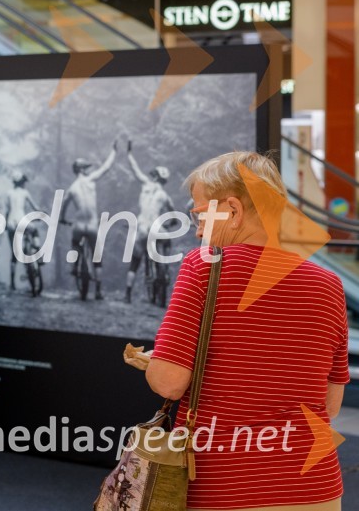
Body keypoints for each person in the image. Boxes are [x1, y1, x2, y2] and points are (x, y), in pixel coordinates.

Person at [145, 151, 348, 511]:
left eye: (200, 215)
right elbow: (330, 404)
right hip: (316, 488)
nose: (197, 230)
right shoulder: (330, 284)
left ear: (234, 211)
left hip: (223, 486)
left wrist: (155, 361)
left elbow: (169, 382)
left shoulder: (203, 266)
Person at [59, 138, 117, 300]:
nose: (88, 170)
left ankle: (74, 266)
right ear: (81, 170)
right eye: (85, 168)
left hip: (78, 226)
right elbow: (106, 168)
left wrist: (62, 219)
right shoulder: (91, 180)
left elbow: (63, 205)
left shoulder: (72, 188)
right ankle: (98, 291)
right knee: (97, 258)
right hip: (92, 226)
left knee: (75, 244)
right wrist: (114, 151)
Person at [124, 139, 175, 304]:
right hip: (158, 228)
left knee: (135, 262)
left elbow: (135, 169)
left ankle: (127, 294)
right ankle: (165, 269)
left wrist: (129, 154)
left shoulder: (145, 185)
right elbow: (173, 215)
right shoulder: (165, 196)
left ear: (154, 177)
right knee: (167, 241)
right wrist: (172, 223)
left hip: (142, 228)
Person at [4, 171, 41, 291]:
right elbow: (35, 207)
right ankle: (37, 251)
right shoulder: (25, 192)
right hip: (22, 221)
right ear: (21, 182)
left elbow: (7, 210)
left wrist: (5, 224)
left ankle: (12, 283)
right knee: (34, 231)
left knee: (14, 254)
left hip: (11, 222)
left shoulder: (9, 193)